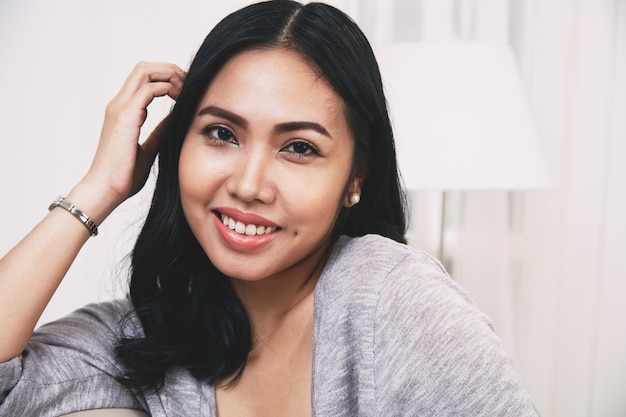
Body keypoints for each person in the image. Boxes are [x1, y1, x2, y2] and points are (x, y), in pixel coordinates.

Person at [0, 1, 538, 416]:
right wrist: (100, 187)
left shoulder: (394, 303)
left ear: (356, 177)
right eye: (221, 133)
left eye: (298, 147)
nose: (250, 184)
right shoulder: (145, 334)